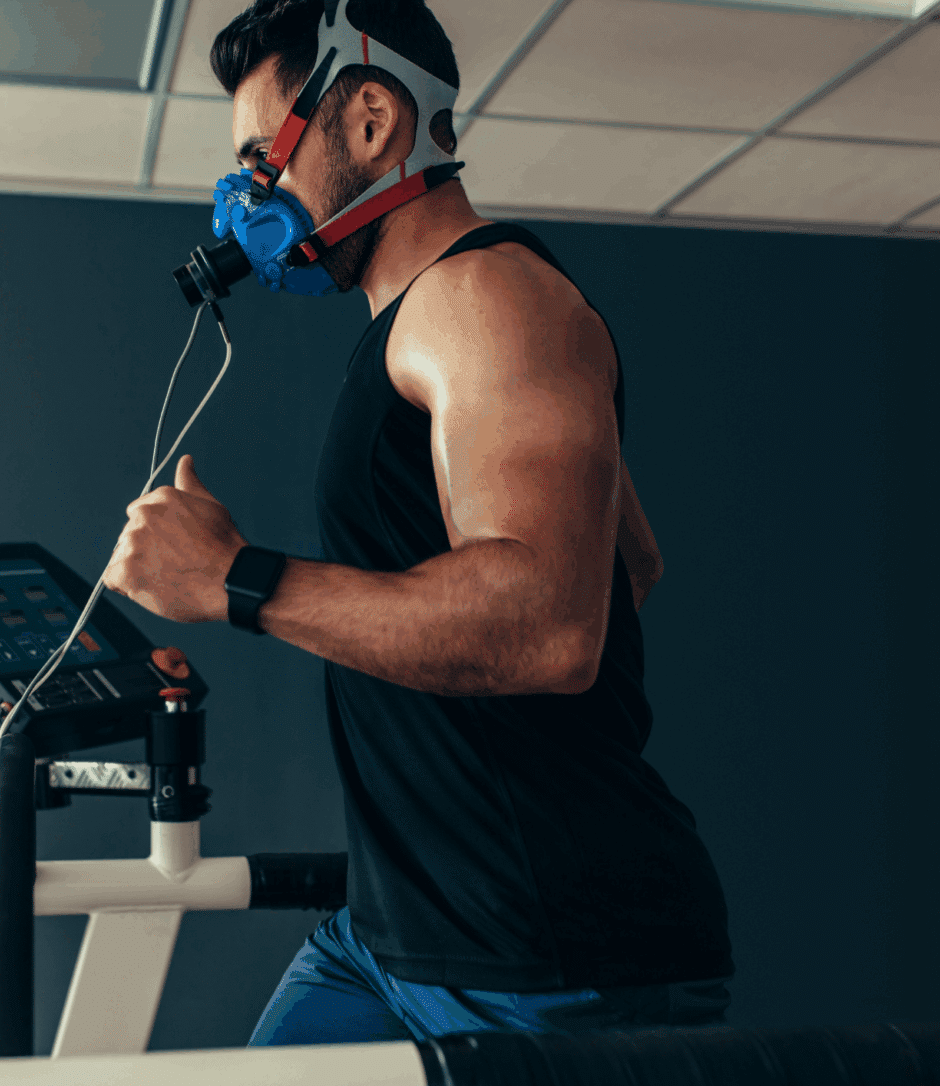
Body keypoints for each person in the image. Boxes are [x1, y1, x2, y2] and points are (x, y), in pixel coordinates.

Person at [102, 0, 734, 1045]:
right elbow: (633, 563)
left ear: (370, 122)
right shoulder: (427, 323)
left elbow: (549, 624)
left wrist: (236, 581)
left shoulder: (487, 299)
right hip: (400, 931)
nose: (241, 198)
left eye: (264, 155)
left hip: (542, 952)